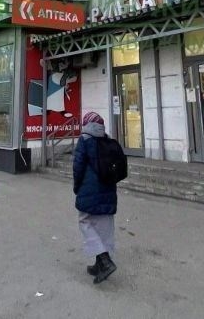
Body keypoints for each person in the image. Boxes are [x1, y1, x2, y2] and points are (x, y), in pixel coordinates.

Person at [72, 111, 118, 284]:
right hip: (108, 190)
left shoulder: (84, 140)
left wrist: (77, 187)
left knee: (85, 221)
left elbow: (78, 167)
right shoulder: (107, 140)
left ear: (86, 124)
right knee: (104, 226)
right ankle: (100, 264)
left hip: (89, 191)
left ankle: (105, 261)